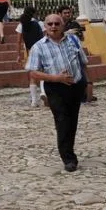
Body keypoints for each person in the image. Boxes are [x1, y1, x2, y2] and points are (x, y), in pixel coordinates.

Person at [26, 14, 89, 172]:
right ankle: (68, 158)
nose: (53, 26)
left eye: (56, 23)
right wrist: (56, 77)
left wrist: (88, 84)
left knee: (72, 121)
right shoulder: (39, 47)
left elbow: (83, 63)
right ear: (45, 26)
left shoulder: (73, 41)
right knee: (62, 121)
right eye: (50, 24)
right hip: (55, 88)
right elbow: (33, 73)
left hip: (75, 86)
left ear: (62, 25)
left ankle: (69, 150)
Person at [58, 5, 96, 102]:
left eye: (68, 12)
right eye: (65, 13)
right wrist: (67, 33)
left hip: (75, 49)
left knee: (82, 70)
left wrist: (77, 35)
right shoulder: (57, 25)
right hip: (62, 51)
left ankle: (86, 93)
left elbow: (82, 38)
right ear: (60, 14)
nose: (67, 14)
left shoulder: (74, 24)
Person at [16, 6, 46, 107]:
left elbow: (18, 41)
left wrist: (18, 54)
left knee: (32, 75)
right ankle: (43, 92)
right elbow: (46, 37)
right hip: (41, 50)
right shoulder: (40, 23)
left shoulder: (22, 25)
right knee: (43, 72)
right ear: (34, 13)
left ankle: (34, 101)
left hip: (30, 51)